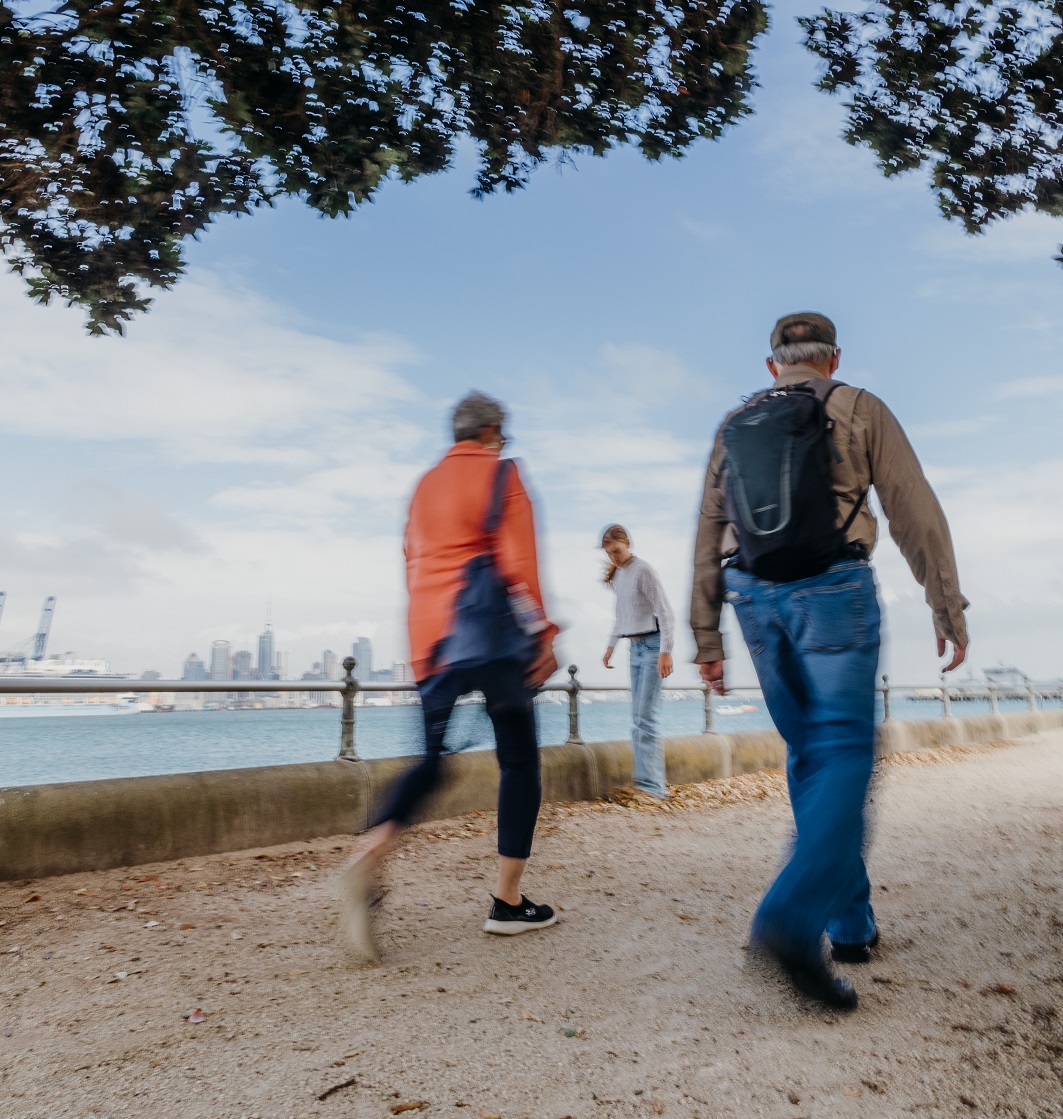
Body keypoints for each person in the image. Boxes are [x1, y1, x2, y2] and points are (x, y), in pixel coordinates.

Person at [690, 312, 969, 1010]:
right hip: (832, 589)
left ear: (771, 365)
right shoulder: (858, 407)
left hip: (754, 599)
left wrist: (706, 637)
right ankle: (791, 915)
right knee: (845, 750)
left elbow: (707, 530)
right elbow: (915, 512)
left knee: (810, 755)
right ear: (832, 356)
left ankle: (850, 923)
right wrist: (945, 606)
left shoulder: (734, 423)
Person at [341, 391, 560, 960]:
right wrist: (543, 634)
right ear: (491, 431)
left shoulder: (423, 486)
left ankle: (374, 848)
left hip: (431, 636)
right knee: (518, 761)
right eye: (502, 437)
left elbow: (413, 561)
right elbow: (519, 564)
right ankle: (507, 903)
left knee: (431, 761)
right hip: (489, 633)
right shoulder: (502, 473)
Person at [600, 525, 675, 800]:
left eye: (617, 551)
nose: (614, 558)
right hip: (634, 649)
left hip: (654, 647)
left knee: (647, 716)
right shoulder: (619, 575)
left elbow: (666, 613)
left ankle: (654, 787)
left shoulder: (644, 570)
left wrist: (666, 651)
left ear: (627, 543)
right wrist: (611, 646)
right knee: (637, 718)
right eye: (609, 554)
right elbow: (621, 616)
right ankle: (645, 782)